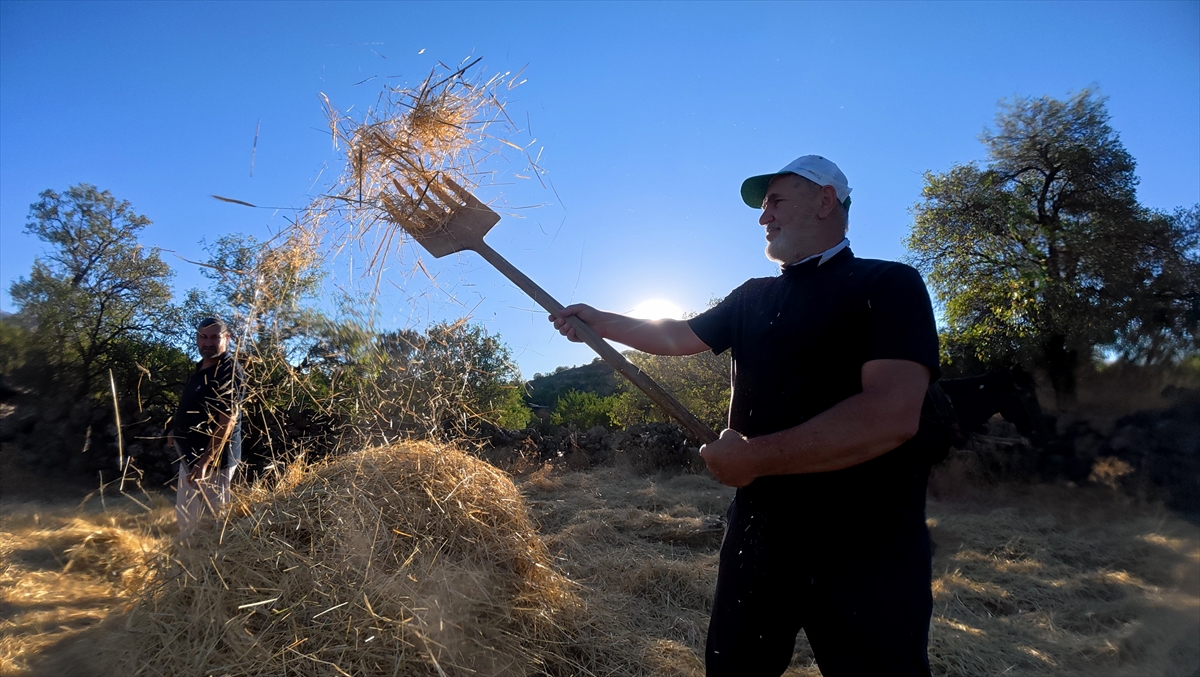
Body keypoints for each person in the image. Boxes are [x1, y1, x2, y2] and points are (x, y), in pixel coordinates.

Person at [550, 155, 940, 676]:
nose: (763, 217)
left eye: (775, 201)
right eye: (762, 206)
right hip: (760, 536)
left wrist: (753, 457)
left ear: (826, 200)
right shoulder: (752, 297)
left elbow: (890, 414)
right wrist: (601, 321)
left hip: (867, 544)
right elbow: (677, 335)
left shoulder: (888, 285)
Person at [168, 317, 245, 535]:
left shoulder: (229, 371)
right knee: (186, 515)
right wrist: (177, 430)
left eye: (214, 337)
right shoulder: (201, 367)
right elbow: (194, 406)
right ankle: (188, 558)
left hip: (214, 462)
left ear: (227, 338)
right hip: (190, 455)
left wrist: (205, 463)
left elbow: (227, 421)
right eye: (203, 337)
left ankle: (216, 564)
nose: (207, 343)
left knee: (214, 519)